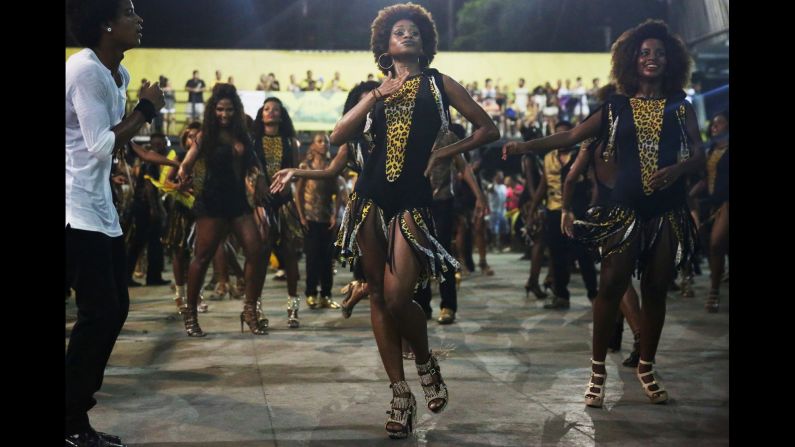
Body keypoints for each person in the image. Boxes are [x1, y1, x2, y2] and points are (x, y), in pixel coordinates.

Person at [503, 19, 704, 408]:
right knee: (611, 287)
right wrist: (527, 146)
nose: (652, 59)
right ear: (632, 59)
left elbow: (698, 154)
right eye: (644, 53)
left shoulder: (681, 106)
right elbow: (571, 136)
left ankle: (646, 366)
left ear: (671, 61)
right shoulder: (614, 107)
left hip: (666, 208)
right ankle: (597, 372)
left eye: (659, 54)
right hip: (623, 208)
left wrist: (677, 171)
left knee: (656, 290)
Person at [328, 3, 500, 438]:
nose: (407, 35)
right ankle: (400, 394)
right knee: (379, 299)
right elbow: (336, 136)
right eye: (398, 32)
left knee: (398, 294)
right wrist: (374, 96)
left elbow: (487, 129)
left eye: (414, 32)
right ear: (384, 45)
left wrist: (445, 152)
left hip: (413, 200)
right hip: (369, 198)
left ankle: (424, 360)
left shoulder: (440, 84)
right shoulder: (374, 90)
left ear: (425, 44)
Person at [66, 1, 165, 445]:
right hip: (73, 208)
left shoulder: (117, 74)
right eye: (129, 12)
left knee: (114, 308)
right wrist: (147, 110)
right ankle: (70, 421)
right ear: (106, 25)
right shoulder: (84, 70)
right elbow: (100, 144)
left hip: (99, 207)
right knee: (99, 310)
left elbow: (110, 143)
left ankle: (75, 412)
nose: (138, 19)